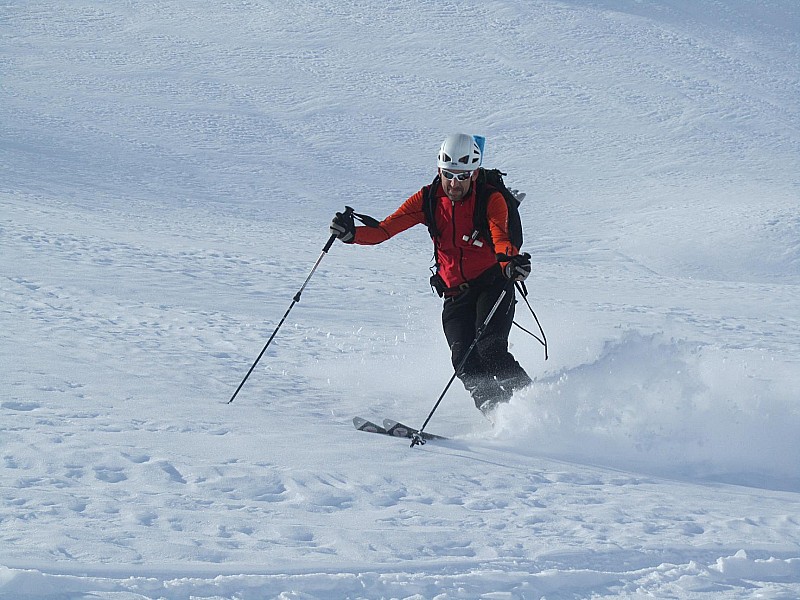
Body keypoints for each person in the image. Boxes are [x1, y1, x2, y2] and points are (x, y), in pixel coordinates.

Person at [330, 133, 532, 417]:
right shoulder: (428, 199)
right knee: (463, 360)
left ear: (474, 174)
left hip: (493, 284)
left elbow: (501, 236)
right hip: (455, 295)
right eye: (449, 175)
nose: (454, 183)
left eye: (462, 176)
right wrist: (352, 235)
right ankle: (500, 416)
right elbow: (386, 229)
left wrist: (511, 263)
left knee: (490, 349)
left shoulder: (491, 199)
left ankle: (535, 403)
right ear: (439, 170)